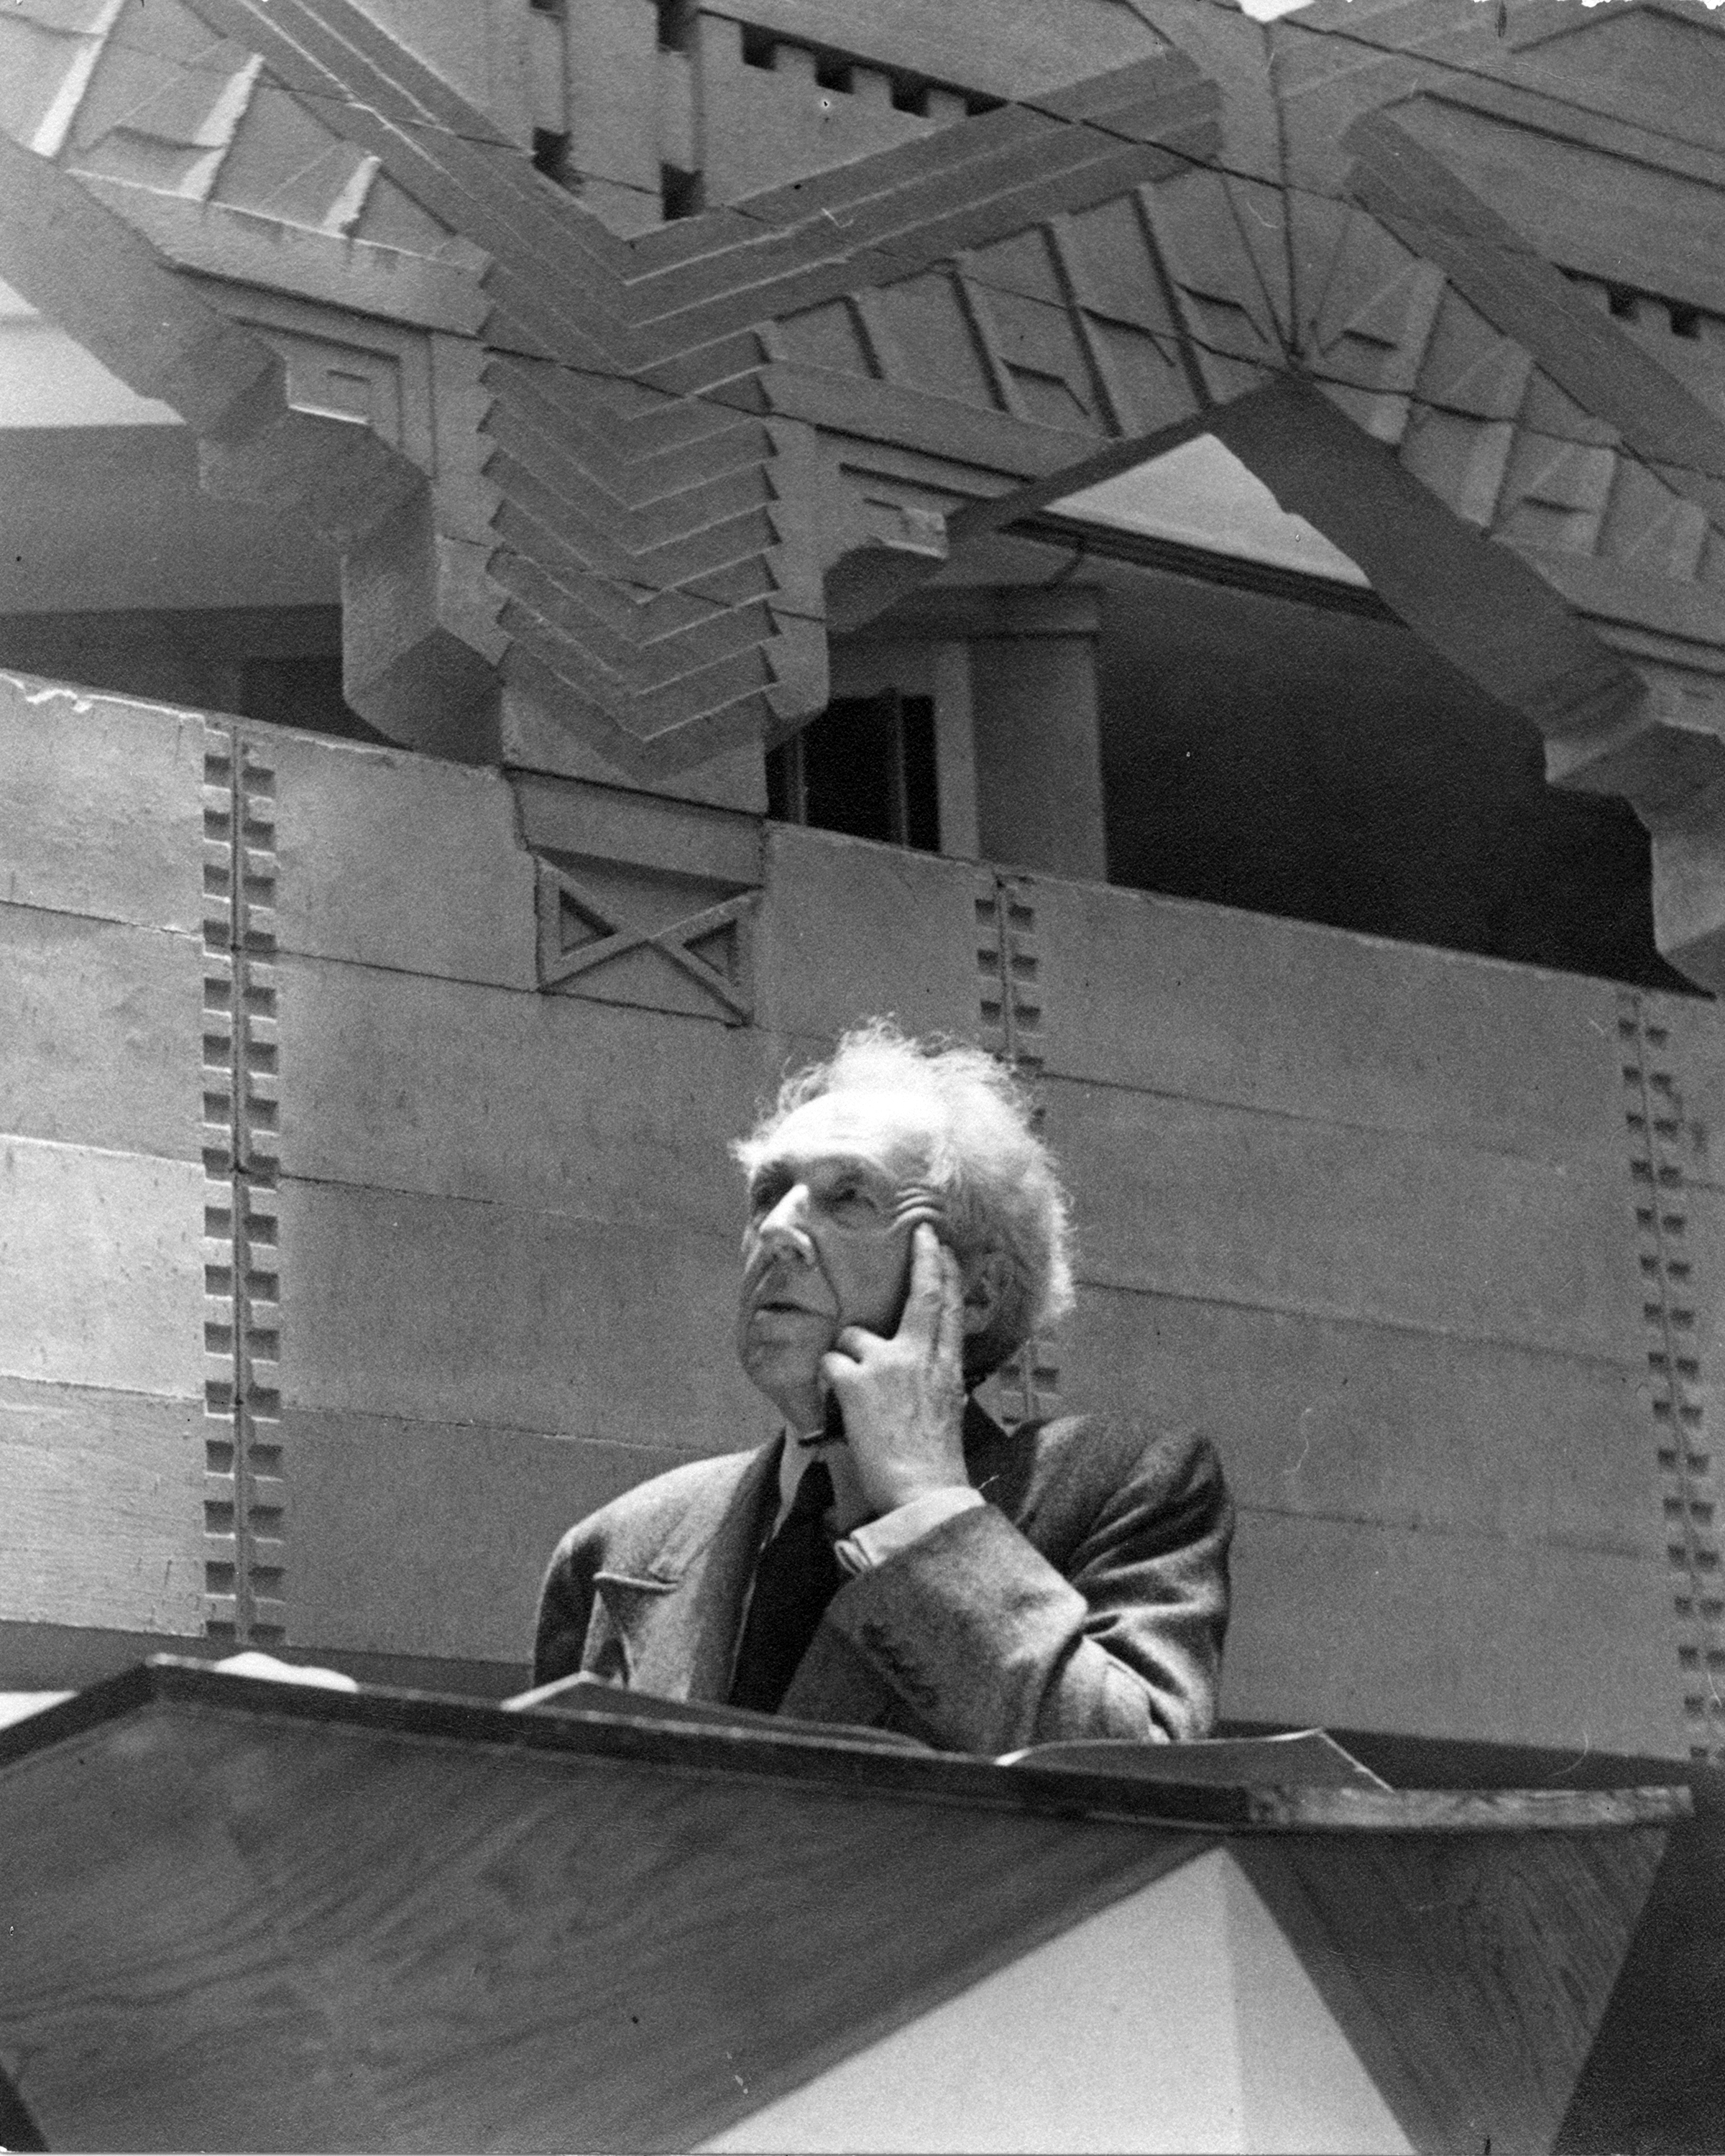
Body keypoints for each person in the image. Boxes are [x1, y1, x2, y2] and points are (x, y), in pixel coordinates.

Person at [532, 1021, 1232, 1756]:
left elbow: (1142, 1774)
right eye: (769, 1193)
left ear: (976, 1292)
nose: (777, 1229)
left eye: (849, 1198)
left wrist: (927, 1506)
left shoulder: (1124, 1487)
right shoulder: (615, 1546)